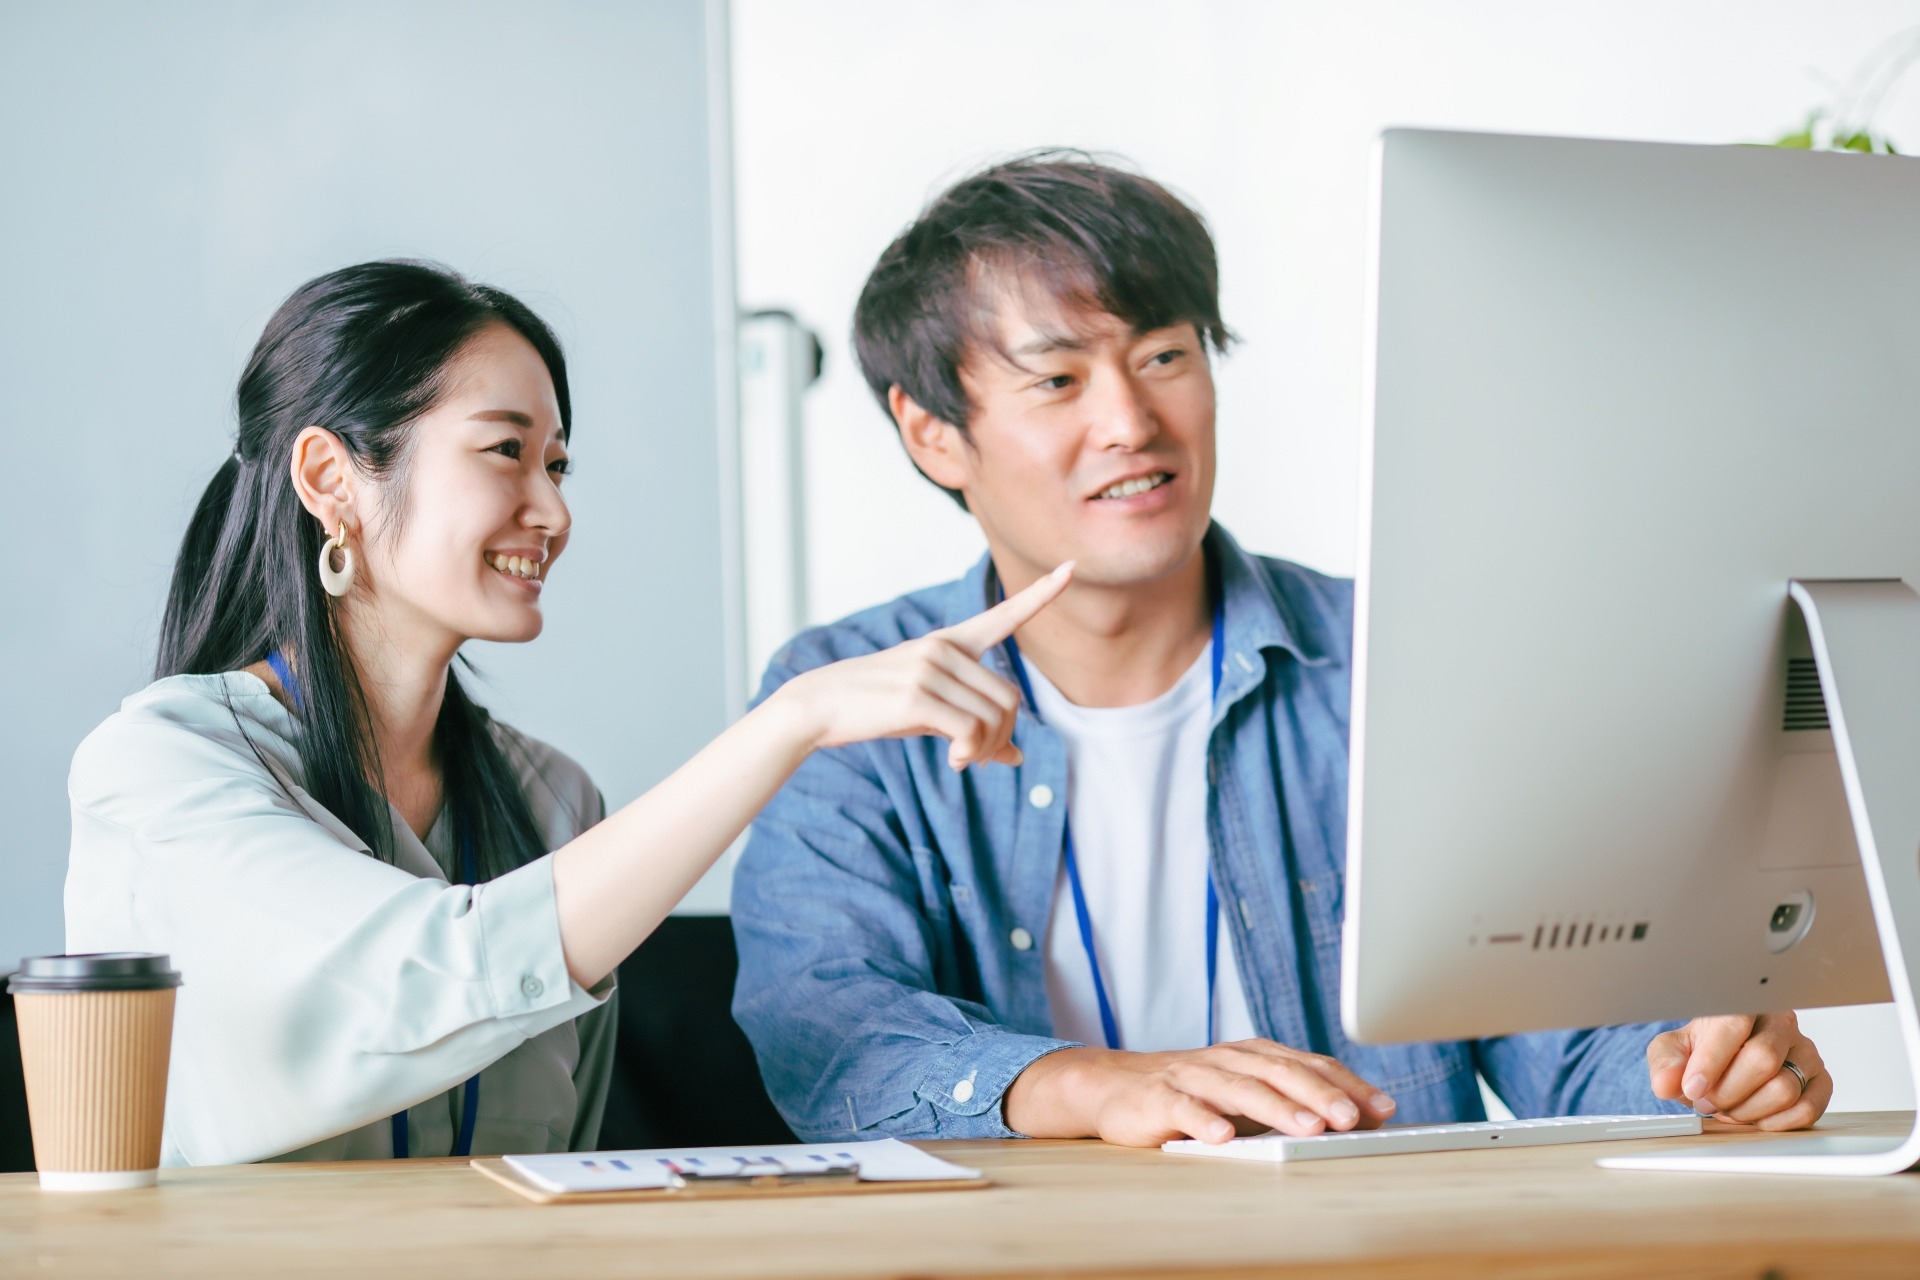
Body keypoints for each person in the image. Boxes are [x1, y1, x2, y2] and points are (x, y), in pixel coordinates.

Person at [730, 154, 1832, 1146]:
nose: (1131, 422)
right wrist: (1099, 1085)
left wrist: (1698, 1072)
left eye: (1165, 355)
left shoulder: (1395, 660)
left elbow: (1559, 1028)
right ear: (933, 432)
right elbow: (832, 1041)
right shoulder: (847, 697)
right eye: (1058, 380)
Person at [64, 260, 1070, 1166]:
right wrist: (793, 718)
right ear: (333, 479)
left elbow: (562, 1163)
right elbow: (422, 975)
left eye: (556, 464)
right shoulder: (161, 767)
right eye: (504, 450)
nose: (553, 511)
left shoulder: (550, 799)